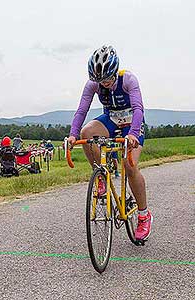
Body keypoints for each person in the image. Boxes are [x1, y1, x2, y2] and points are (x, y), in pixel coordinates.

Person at [67, 45, 152, 242]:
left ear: (115, 71)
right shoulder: (93, 84)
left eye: (106, 79)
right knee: (86, 132)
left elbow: (139, 108)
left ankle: (143, 215)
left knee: (129, 165)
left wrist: (132, 134)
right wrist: (72, 135)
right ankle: (101, 177)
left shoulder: (128, 79)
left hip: (132, 121)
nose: (103, 84)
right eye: (98, 80)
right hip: (111, 120)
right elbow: (81, 111)